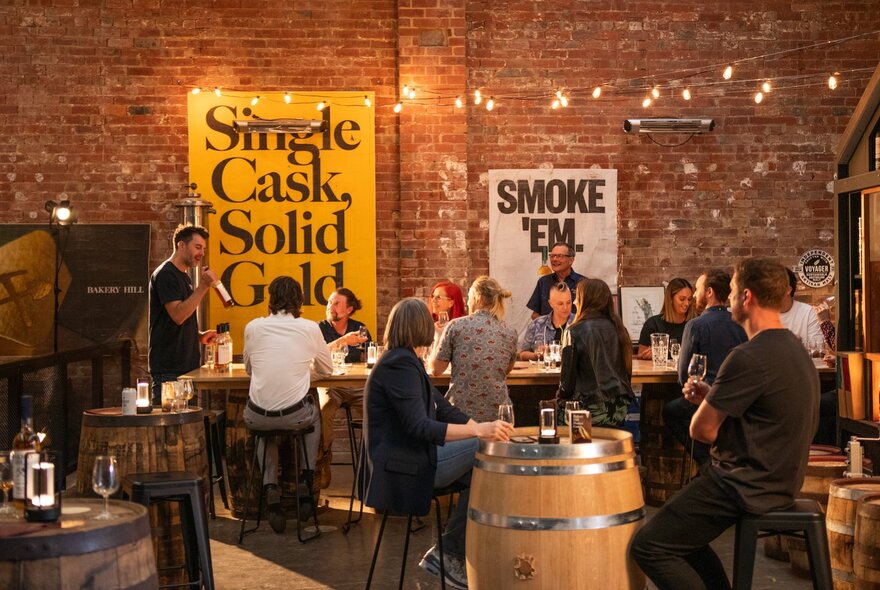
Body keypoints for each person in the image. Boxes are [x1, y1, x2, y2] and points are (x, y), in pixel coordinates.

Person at [630, 257, 820, 590]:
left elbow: (700, 430)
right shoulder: (794, 348)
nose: (728, 299)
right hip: (779, 479)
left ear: (747, 297)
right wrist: (711, 396)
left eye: (731, 292)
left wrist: (707, 403)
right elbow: (763, 414)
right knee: (683, 539)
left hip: (742, 484)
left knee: (649, 545)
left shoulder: (748, 356)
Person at [361, 298, 513, 590]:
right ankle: (452, 555)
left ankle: (451, 553)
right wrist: (479, 431)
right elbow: (420, 427)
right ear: (419, 326)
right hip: (403, 467)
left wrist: (473, 425)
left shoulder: (405, 360)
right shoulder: (399, 365)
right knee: (488, 450)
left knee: (481, 473)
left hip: (411, 458)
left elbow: (441, 406)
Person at [242, 276, 332, 534]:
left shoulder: (253, 327)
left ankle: (271, 487)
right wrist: (303, 372)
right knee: (313, 414)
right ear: (299, 301)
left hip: (257, 416)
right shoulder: (309, 328)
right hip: (296, 417)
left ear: (270, 300)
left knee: (265, 428)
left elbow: (251, 369)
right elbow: (327, 369)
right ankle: (306, 477)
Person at [665, 269, 747, 467]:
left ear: (709, 292)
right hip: (737, 401)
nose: (694, 295)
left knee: (670, 411)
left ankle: (706, 461)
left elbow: (684, 376)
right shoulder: (741, 324)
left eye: (698, 289)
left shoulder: (695, 325)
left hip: (706, 400)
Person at [431, 276, 518, 422]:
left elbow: (436, 370)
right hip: (499, 415)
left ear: (478, 298)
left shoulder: (455, 326)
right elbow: (505, 369)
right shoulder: (510, 331)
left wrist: (439, 337)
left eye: (469, 297)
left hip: (461, 414)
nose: (467, 302)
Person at [148, 224, 218, 404]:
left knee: (186, 428)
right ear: (181, 246)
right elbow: (178, 316)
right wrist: (203, 286)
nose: (202, 253)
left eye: (203, 248)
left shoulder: (183, 276)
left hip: (186, 368)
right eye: (197, 247)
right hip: (169, 370)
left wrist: (199, 336)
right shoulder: (166, 274)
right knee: (171, 428)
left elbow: (175, 321)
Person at [558, 278, 635, 427]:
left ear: (585, 301)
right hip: (619, 410)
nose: (574, 303)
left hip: (588, 410)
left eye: (577, 298)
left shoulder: (574, 331)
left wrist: (559, 398)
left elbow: (566, 386)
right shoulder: (620, 329)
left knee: (546, 417)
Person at [316, 287, 371, 488]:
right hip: (331, 385)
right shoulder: (318, 329)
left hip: (356, 385)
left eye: (336, 303)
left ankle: (372, 459)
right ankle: (323, 457)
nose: (331, 306)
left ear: (349, 309)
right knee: (323, 410)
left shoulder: (360, 327)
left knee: (376, 410)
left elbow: (369, 357)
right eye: (329, 302)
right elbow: (315, 355)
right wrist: (342, 341)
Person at [636, 278, 696, 360]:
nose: (687, 304)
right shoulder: (652, 324)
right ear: (670, 299)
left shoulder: (695, 324)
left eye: (689, 299)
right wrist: (647, 355)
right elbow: (640, 356)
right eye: (682, 299)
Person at [526, 242, 586, 319]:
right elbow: (535, 315)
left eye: (559, 256)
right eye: (552, 256)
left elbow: (590, 315)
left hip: (575, 329)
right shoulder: (543, 282)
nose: (554, 259)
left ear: (571, 260)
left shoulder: (583, 283)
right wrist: (547, 324)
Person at [518, 282, 574, 361]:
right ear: (550, 303)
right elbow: (522, 354)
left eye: (568, 302)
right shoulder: (536, 324)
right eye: (560, 303)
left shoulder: (579, 324)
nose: (565, 307)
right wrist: (537, 355)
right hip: (543, 372)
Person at [780, 268, 824, 346]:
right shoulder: (760, 313)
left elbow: (818, 349)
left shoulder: (808, 312)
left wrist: (799, 345)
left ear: (788, 290)